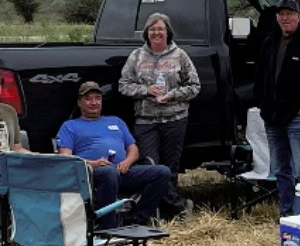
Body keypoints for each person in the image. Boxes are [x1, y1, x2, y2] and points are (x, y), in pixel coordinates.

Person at [55, 81, 171, 229]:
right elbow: (66, 158)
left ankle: (136, 219)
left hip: (123, 170)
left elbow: (133, 149)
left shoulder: (116, 121)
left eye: (97, 98)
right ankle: (108, 226)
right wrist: (93, 163)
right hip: (91, 174)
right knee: (109, 173)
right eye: (88, 99)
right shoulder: (70, 126)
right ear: (79, 103)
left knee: (162, 172)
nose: (94, 103)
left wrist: (128, 162)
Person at [119, 12, 201, 219]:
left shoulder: (180, 55)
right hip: (145, 121)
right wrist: (147, 91)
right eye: (152, 29)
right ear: (147, 33)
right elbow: (123, 86)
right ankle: (179, 207)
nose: (156, 33)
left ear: (168, 32)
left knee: (171, 168)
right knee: (151, 167)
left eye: (160, 29)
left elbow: (194, 87)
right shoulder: (136, 56)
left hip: (175, 119)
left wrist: (171, 95)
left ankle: (166, 212)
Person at [253, 0, 300, 216]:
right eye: (281, 14)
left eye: (289, 14)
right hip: (272, 117)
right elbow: (259, 76)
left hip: (297, 117)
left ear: (298, 17)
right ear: (276, 18)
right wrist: (262, 103)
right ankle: (287, 212)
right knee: (280, 169)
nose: (285, 18)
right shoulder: (269, 42)